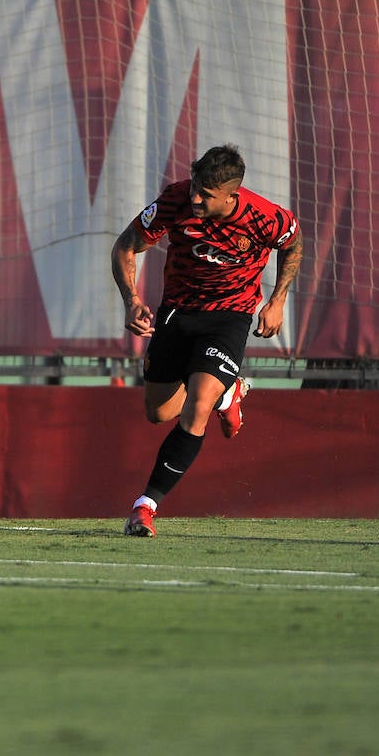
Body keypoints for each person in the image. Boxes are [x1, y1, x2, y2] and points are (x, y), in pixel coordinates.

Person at [111, 144, 302, 537]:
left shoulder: (265, 218)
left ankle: (144, 507)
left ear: (232, 195)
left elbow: (293, 244)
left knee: (195, 410)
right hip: (177, 313)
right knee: (159, 413)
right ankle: (227, 394)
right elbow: (126, 245)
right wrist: (131, 300)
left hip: (230, 317)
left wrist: (278, 300)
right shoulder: (175, 200)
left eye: (206, 194)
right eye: (195, 187)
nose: (195, 198)